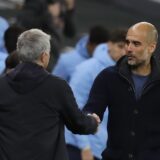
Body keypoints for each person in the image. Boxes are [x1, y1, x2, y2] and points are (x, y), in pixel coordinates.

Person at [0, 28, 100, 160]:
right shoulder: (57, 87)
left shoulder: (2, 85)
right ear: (44, 56)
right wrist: (93, 122)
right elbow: (78, 124)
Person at [83, 21, 159, 160]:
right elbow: (91, 109)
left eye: (136, 44)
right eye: (127, 42)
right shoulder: (108, 77)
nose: (129, 48)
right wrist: (90, 119)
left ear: (151, 47)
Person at [66, 29, 127, 160]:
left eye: (126, 48)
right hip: (78, 147)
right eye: (120, 46)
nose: (123, 52)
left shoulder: (124, 75)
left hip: (102, 149)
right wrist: (85, 147)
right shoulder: (88, 69)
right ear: (110, 44)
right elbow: (73, 108)